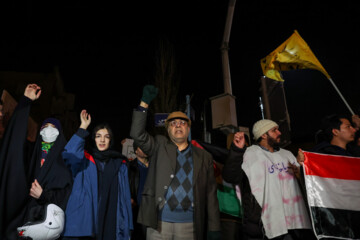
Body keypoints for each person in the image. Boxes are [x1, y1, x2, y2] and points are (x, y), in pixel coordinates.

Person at [130, 85, 221, 240]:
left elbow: (211, 195)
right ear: (167, 130)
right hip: (158, 224)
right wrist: (144, 103)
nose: (178, 125)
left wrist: (214, 227)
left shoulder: (204, 156)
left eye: (182, 122)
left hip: (189, 226)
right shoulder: (158, 146)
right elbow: (137, 134)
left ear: (188, 128)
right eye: (173, 123)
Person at [0, 83, 73, 239]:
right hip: (21, 218)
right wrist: (25, 101)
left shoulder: (64, 162)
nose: (48, 129)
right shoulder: (31, 153)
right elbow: (15, 141)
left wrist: (43, 195)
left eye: (53, 127)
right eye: (44, 126)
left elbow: (66, 195)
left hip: (46, 225)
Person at [222, 119, 313, 240]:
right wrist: (237, 150)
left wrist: (301, 167)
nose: (279, 132)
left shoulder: (287, 154)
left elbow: (301, 184)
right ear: (263, 134)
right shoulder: (250, 153)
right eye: (274, 130)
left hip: (292, 225)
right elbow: (230, 176)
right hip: (261, 225)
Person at [61, 110, 133, 240]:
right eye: (98, 136)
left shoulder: (120, 164)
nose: (102, 140)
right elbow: (69, 153)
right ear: (94, 138)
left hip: (110, 223)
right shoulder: (84, 159)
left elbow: (125, 198)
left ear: (111, 140)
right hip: (86, 224)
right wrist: (83, 127)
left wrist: (127, 225)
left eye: (106, 136)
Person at [128, 141, 149, 240]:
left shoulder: (155, 166)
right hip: (137, 212)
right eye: (141, 147)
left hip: (153, 211)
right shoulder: (130, 167)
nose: (145, 149)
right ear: (136, 151)